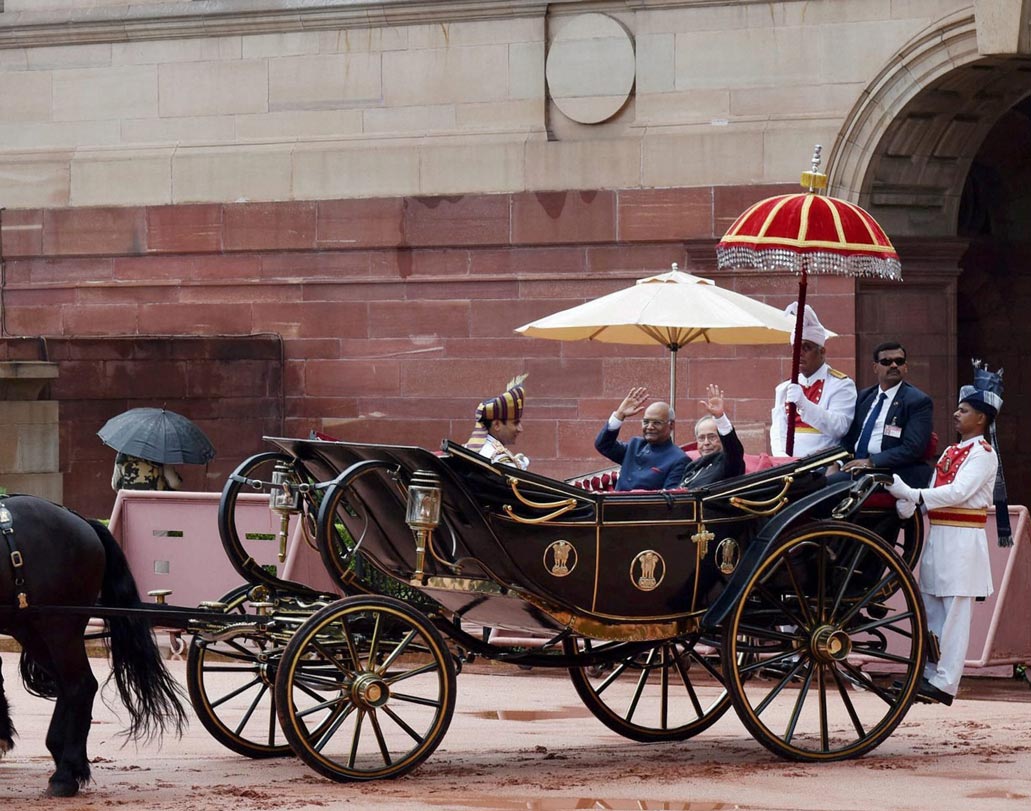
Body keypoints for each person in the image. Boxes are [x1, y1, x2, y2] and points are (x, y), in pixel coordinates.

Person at [885, 376, 1002, 707]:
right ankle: (928, 673)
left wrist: (914, 493)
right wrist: (911, 502)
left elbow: (959, 492)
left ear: (980, 418)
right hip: (940, 537)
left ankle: (946, 682)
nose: (956, 414)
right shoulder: (953, 450)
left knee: (953, 618)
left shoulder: (983, 454)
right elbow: (937, 486)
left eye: (963, 410)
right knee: (932, 611)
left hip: (964, 543)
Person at [837, 341, 933, 486]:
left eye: (899, 361)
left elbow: (913, 448)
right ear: (875, 367)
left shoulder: (917, 401)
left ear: (905, 367)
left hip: (889, 471)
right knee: (810, 481)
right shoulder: (864, 396)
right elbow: (849, 438)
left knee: (826, 488)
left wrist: (871, 462)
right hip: (855, 467)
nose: (894, 365)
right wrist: (836, 461)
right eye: (886, 361)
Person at [770, 303, 856, 457]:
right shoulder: (784, 388)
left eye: (806, 348)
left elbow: (839, 428)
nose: (800, 354)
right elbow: (777, 429)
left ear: (822, 352)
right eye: (796, 349)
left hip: (821, 464)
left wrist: (804, 404)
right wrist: (780, 457)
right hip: (787, 465)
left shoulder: (841, 384)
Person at [595, 387, 687, 491]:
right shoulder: (635, 445)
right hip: (614, 505)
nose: (650, 427)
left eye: (657, 423)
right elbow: (603, 445)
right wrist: (619, 415)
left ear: (671, 425)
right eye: (646, 422)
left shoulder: (679, 459)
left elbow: (670, 497)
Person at [680, 384, 745, 488]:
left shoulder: (729, 462)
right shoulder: (691, 467)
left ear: (722, 439)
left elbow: (733, 448)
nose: (706, 443)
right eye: (701, 438)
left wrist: (719, 418)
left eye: (712, 437)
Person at [464, 374, 530, 469]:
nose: (520, 429)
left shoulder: (467, 450)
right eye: (515, 423)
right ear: (497, 425)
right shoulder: (499, 459)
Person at [111, 452, 182, 491]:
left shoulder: (122, 454)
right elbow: (174, 483)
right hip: (156, 502)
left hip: (129, 502)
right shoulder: (162, 454)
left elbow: (115, 485)